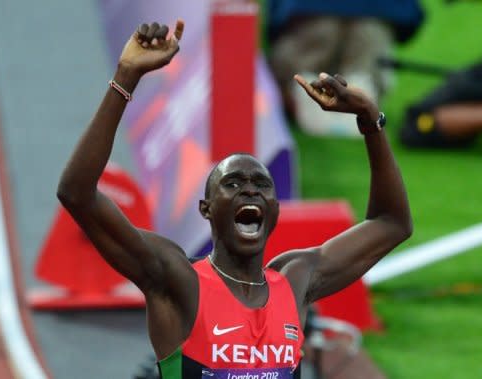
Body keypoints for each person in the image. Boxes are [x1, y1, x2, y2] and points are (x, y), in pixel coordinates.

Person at [57, 19, 412, 378]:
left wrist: (370, 120)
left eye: (262, 184)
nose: (250, 189)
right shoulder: (176, 279)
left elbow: (392, 224)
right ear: (206, 209)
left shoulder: (296, 281)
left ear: (274, 210)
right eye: (233, 183)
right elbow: (76, 193)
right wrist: (126, 78)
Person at [266, 0, 424, 137]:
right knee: (367, 36)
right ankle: (362, 98)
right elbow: (410, 19)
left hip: (311, 14)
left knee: (323, 36)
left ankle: (301, 94)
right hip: (376, 12)